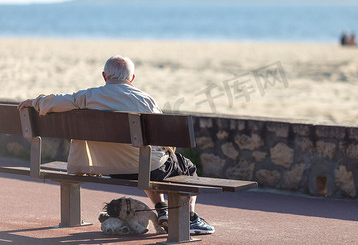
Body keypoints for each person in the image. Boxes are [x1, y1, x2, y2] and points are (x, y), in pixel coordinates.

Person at [17, 55, 214, 235]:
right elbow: (163, 139)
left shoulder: (87, 97)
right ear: (132, 78)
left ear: (104, 76)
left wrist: (35, 102)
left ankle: (162, 210)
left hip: (111, 169)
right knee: (185, 167)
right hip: (145, 169)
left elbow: (59, 100)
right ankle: (190, 219)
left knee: (145, 162)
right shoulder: (144, 99)